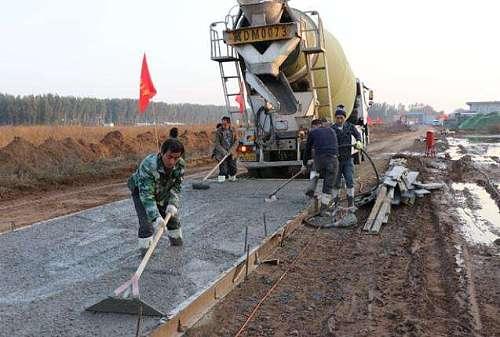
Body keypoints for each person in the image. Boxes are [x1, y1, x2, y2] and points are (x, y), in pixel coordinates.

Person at [127, 138, 186, 254]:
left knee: (172, 218)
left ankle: (177, 246)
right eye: (169, 157)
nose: (172, 161)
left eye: (176, 158)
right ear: (162, 153)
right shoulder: (149, 165)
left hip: (163, 188)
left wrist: (172, 203)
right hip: (141, 190)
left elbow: (177, 186)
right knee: (147, 223)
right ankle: (146, 251)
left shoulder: (180, 165)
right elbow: (147, 195)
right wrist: (156, 217)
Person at [302, 118, 339, 214]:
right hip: (333, 159)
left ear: (314, 126)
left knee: (314, 174)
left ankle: (309, 196)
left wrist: (304, 164)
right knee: (328, 185)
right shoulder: (332, 130)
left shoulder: (313, 132)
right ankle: (324, 209)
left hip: (319, 159)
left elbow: (307, 149)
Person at [331, 105, 363, 208]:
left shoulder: (350, 127)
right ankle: (335, 204)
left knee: (349, 181)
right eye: (338, 118)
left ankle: (351, 204)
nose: (340, 120)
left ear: (345, 118)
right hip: (336, 161)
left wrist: (358, 142)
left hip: (348, 159)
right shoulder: (331, 129)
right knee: (336, 183)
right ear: (335, 118)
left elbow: (358, 135)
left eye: (342, 118)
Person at [214, 116, 238, 183]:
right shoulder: (218, 131)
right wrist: (224, 152)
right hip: (222, 153)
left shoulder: (233, 130)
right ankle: (221, 182)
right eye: (222, 124)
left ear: (229, 124)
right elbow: (217, 144)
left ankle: (232, 180)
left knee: (233, 169)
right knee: (223, 170)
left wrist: (231, 151)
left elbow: (236, 142)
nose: (223, 126)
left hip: (231, 153)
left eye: (225, 124)